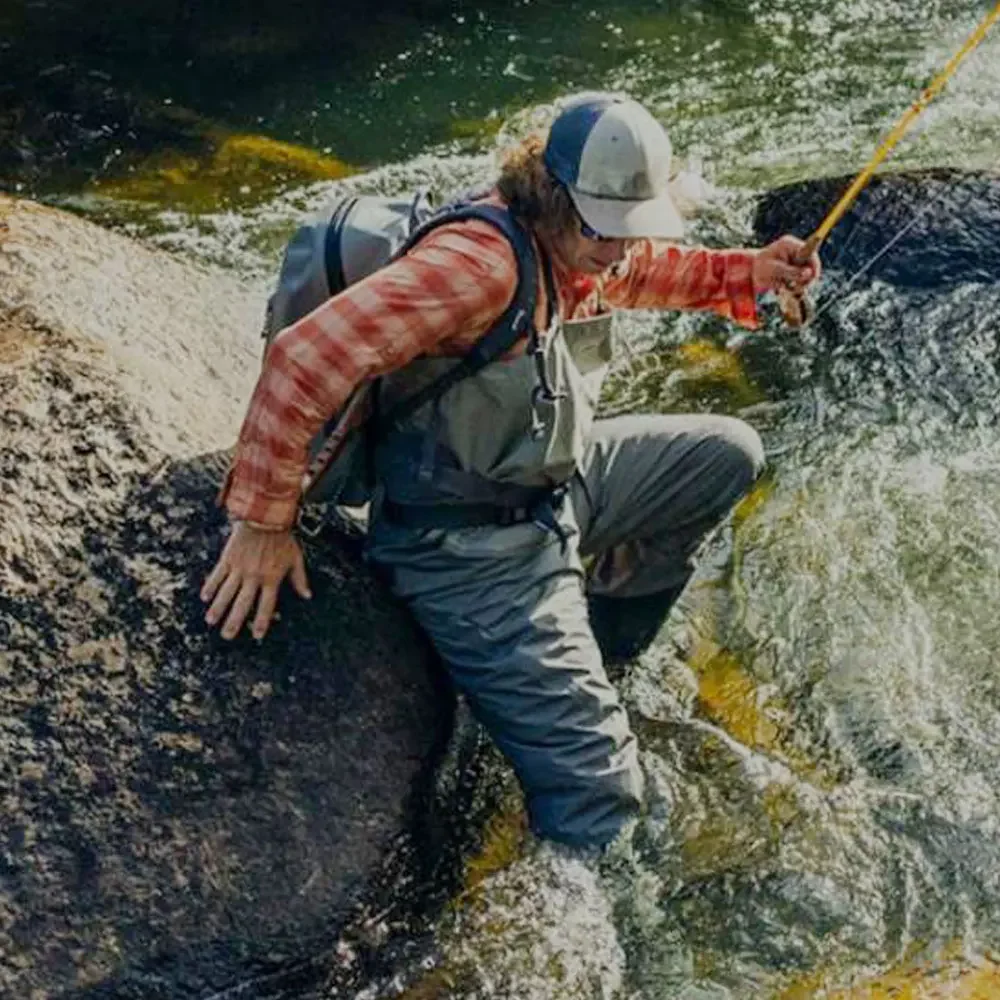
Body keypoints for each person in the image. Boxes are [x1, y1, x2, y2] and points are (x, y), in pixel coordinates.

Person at [201, 92, 820, 849]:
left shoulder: (574, 242)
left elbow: (640, 272)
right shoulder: (478, 266)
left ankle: (603, 656)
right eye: (606, 230)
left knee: (724, 455)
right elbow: (303, 359)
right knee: (600, 795)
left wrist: (748, 273)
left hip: (546, 494)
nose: (619, 248)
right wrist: (264, 524)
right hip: (466, 553)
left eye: (631, 227)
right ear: (553, 196)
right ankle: (556, 881)